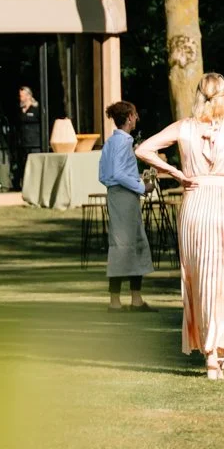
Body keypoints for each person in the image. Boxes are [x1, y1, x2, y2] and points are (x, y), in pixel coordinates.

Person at [136, 73, 224, 379]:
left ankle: (209, 351)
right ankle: (218, 350)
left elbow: (143, 149)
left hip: (194, 203)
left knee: (200, 276)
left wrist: (176, 172)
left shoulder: (184, 127)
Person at [99, 100, 152, 310]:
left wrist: (134, 178)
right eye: (135, 115)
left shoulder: (111, 143)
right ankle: (118, 300)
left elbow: (104, 175)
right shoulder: (122, 143)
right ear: (129, 117)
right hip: (124, 198)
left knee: (129, 245)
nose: (136, 118)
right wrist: (141, 186)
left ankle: (133, 298)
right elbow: (118, 174)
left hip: (116, 196)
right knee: (125, 246)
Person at [12, 84, 44, 179]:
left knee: (35, 166)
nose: (20, 98)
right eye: (20, 96)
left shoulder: (36, 109)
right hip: (23, 143)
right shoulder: (19, 110)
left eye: (22, 96)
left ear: (28, 96)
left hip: (34, 143)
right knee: (24, 166)